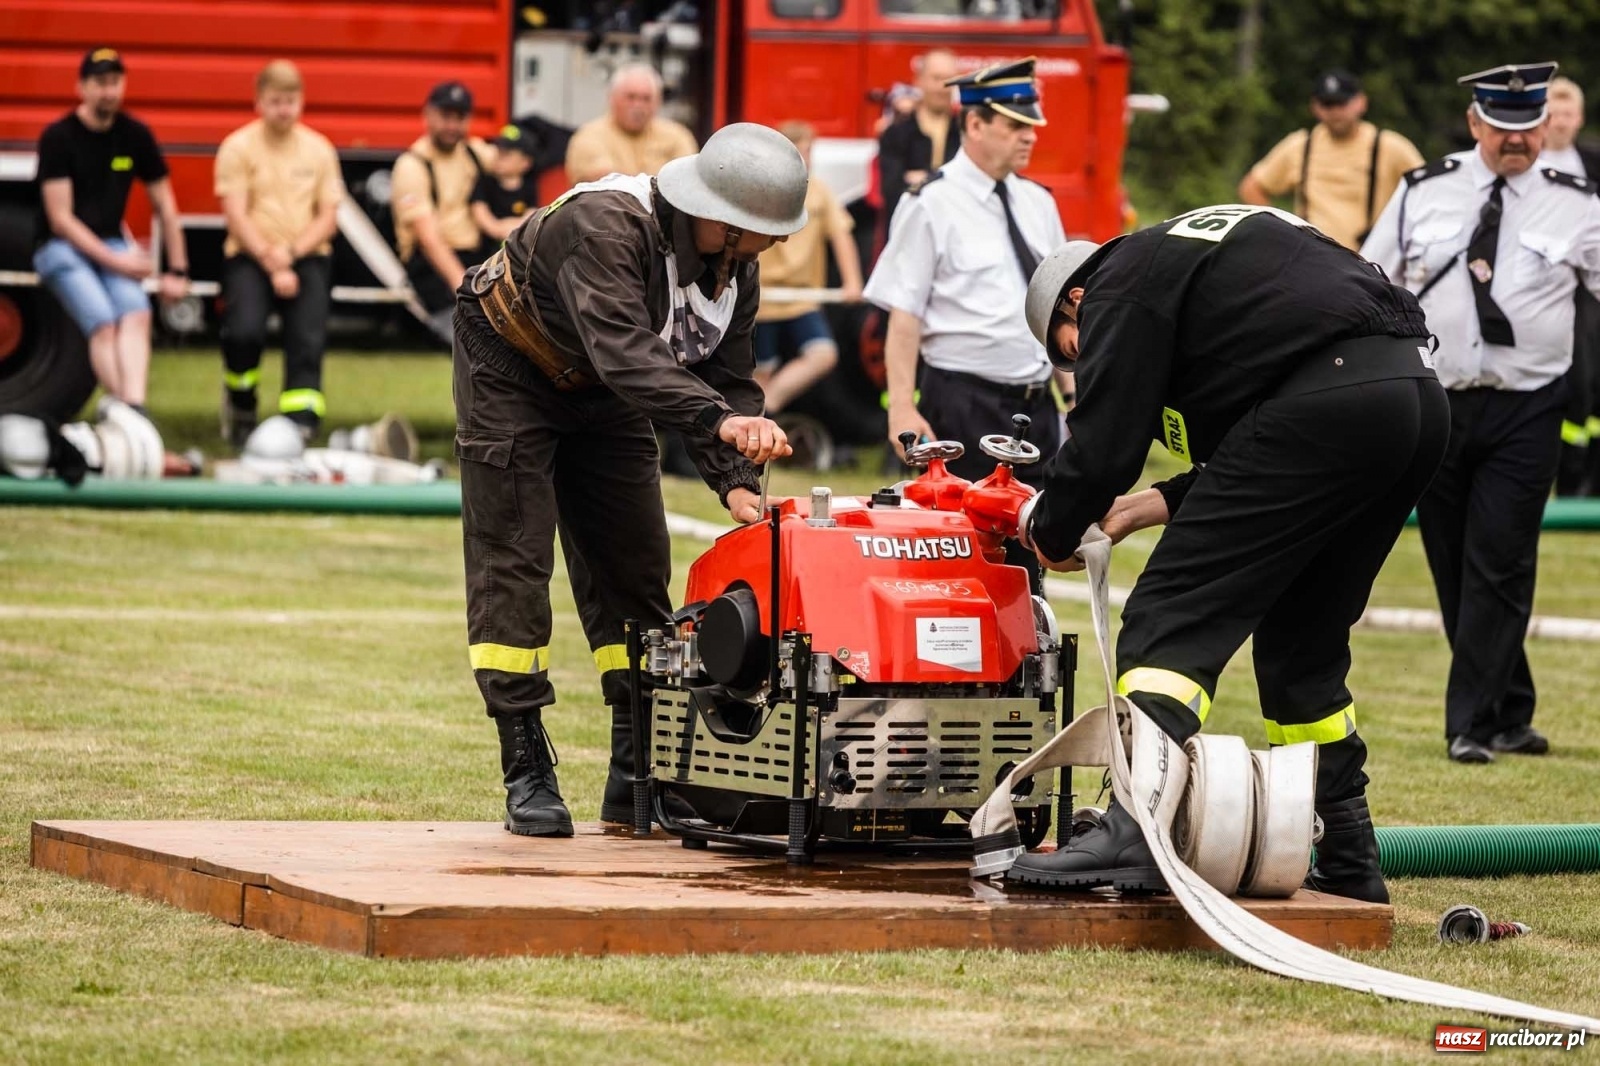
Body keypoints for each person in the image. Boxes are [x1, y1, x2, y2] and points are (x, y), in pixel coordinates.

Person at [1005, 205, 1447, 903]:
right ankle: (1351, 858)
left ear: (1077, 299)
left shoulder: (1120, 283)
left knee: (1169, 612)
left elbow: (1104, 444)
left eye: (1069, 345)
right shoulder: (1203, 271)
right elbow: (1254, 442)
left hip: (1327, 404)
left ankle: (1135, 825)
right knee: (1300, 643)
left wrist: (1052, 530)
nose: (1078, 360)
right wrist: (1146, 507)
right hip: (1410, 401)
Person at [451, 123, 804, 837]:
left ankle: (635, 773)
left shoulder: (737, 266)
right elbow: (626, 352)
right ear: (723, 220)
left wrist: (735, 479)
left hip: (606, 385)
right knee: (515, 560)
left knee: (635, 568)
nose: (776, 245)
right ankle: (527, 768)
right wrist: (721, 424)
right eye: (767, 232)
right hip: (512, 366)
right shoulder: (606, 227)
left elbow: (726, 374)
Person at [1361, 62, 1600, 764]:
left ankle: (1466, 722)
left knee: (1499, 555)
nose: (1516, 141)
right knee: (1452, 564)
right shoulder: (1423, 191)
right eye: (1502, 128)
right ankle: (1509, 709)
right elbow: (1372, 282)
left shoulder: (1578, 203)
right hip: (1436, 402)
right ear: (1475, 124)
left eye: (1527, 128)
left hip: (1529, 405)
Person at [865, 57, 1067, 587]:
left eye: (1032, 127)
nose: (1029, 138)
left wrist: (1076, 393)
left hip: (1035, 409)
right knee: (961, 566)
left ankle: (1025, 666)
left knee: (1030, 568)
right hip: (962, 406)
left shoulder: (1039, 203)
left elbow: (1058, 312)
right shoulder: (931, 203)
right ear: (974, 124)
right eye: (1016, 126)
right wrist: (903, 409)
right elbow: (903, 316)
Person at [33, 46, 189, 411]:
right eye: (100, 82)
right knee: (103, 321)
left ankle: (134, 407)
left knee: (136, 312)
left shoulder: (134, 135)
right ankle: (128, 412)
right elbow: (61, 220)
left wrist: (177, 270)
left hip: (111, 242)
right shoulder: (58, 137)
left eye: (115, 82)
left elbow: (166, 205)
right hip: (59, 246)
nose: (109, 90)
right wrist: (118, 263)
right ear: (81, 87)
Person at [214, 60, 345, 447]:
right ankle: (240, 404)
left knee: (307, 338)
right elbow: (235, 214)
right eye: (275, 101)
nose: (284, 109)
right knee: (243, 332)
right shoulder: (238, 147)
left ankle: (300, 420)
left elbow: (328, 218)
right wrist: (272, 260)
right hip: (250, 256)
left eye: (290, 101)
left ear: (301, 101)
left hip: (305, 255)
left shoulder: (319, 149)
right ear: (258, 102)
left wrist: (290, 254)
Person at [1239, 70, 1424, 251]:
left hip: (1371, 263)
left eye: (1342, 103)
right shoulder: (1299, 146)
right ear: (1315, 107)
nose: (1335, 111)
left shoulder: (1390, 147)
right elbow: (1251, 187)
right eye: (1328, 104)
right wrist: (1281, 233)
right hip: (1311, 259)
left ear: (1361, 102)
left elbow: (1428, 192)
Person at [752, 121, 864, 414]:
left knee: (823, 354)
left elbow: (841, 235)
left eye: (809, 150)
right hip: (763, 301)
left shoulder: (819, 191)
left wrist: (853, 281)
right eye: (799, 150)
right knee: (760, 370)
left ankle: (766, 409)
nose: (806, 157)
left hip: (803, 299)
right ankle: (751, 429)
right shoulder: (761, 189)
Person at [391, 81, 495, 342]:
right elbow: (428, 239)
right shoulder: (412, 165)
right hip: (433, 264)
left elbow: (520, 157)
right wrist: (467, 287)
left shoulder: (475, 153)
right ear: (427, 115)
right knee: (472, 342)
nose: (452, 126)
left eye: (460, 118)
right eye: (445, 117)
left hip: (475, 257)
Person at [1541, 77, 1600, 497]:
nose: (1560, 122)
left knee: (1590, 380)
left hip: (1588, 283)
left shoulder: (1593, 162)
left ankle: (1585, 480)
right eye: (1553, 113)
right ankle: (1558, 474)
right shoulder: (1524, 159)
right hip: (1540, 282)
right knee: (1568, 380)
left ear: (1579, 118)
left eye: (1567, 113)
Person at [563, 63, 698, 185]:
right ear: (611, 98)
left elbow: (688, 182)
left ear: (658, 102)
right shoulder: (588, 136)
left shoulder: (678, 136)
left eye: (646, 99)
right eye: (630, 97)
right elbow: (605, 181)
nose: (638, 106)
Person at [876, 48, 962, 228]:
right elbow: (891, 191)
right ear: (919, 81)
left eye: (949, 79)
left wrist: (922, 179)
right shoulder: (896, 132)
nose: (942, 87)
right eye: (936, 78)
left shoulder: (965, 132)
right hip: (907, 229)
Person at [470, 124, 539, 244]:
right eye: (498, 151)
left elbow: (531, 216)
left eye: (506, 154)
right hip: (487, 251)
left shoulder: (529, 186)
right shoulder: (486, 182)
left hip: (515, 246)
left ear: (525, 162)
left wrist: (514, 228)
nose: (498, 157)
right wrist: (496, 228)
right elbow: (479, 211)